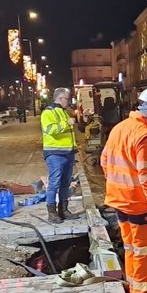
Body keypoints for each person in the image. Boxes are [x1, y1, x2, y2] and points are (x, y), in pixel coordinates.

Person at [101, 87, 147, 293]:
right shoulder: (145, 135)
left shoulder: (120, 128)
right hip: (140, 206)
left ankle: (133, 290)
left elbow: (104, 161)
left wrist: (119, 187)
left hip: (119, 202)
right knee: (144, 253)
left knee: (131, 249)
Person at [40, 88, 80, 224]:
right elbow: (50, 130)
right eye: (67, 99)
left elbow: (69, 132)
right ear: (60, 98)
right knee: (54, 183)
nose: (68, 102)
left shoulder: (63, 112)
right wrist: (66, 123)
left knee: (65, 183)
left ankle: (63, 210)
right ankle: (52, 213)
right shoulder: (48, 112)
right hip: (55, 153)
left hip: (68, 153)